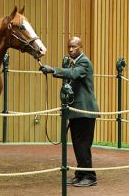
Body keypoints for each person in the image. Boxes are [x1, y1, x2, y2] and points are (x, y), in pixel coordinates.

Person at [40, 36, 99, 187]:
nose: (71, 49)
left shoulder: (84, 62)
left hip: (85, 111)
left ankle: (90, 176)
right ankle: (80, 174)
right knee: (78, 144)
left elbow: (73, 74)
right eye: (69, 47)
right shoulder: (73, 63)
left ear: (80, 47)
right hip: (76, 112)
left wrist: (53, 70)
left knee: (83, 144)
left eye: (74, 47)